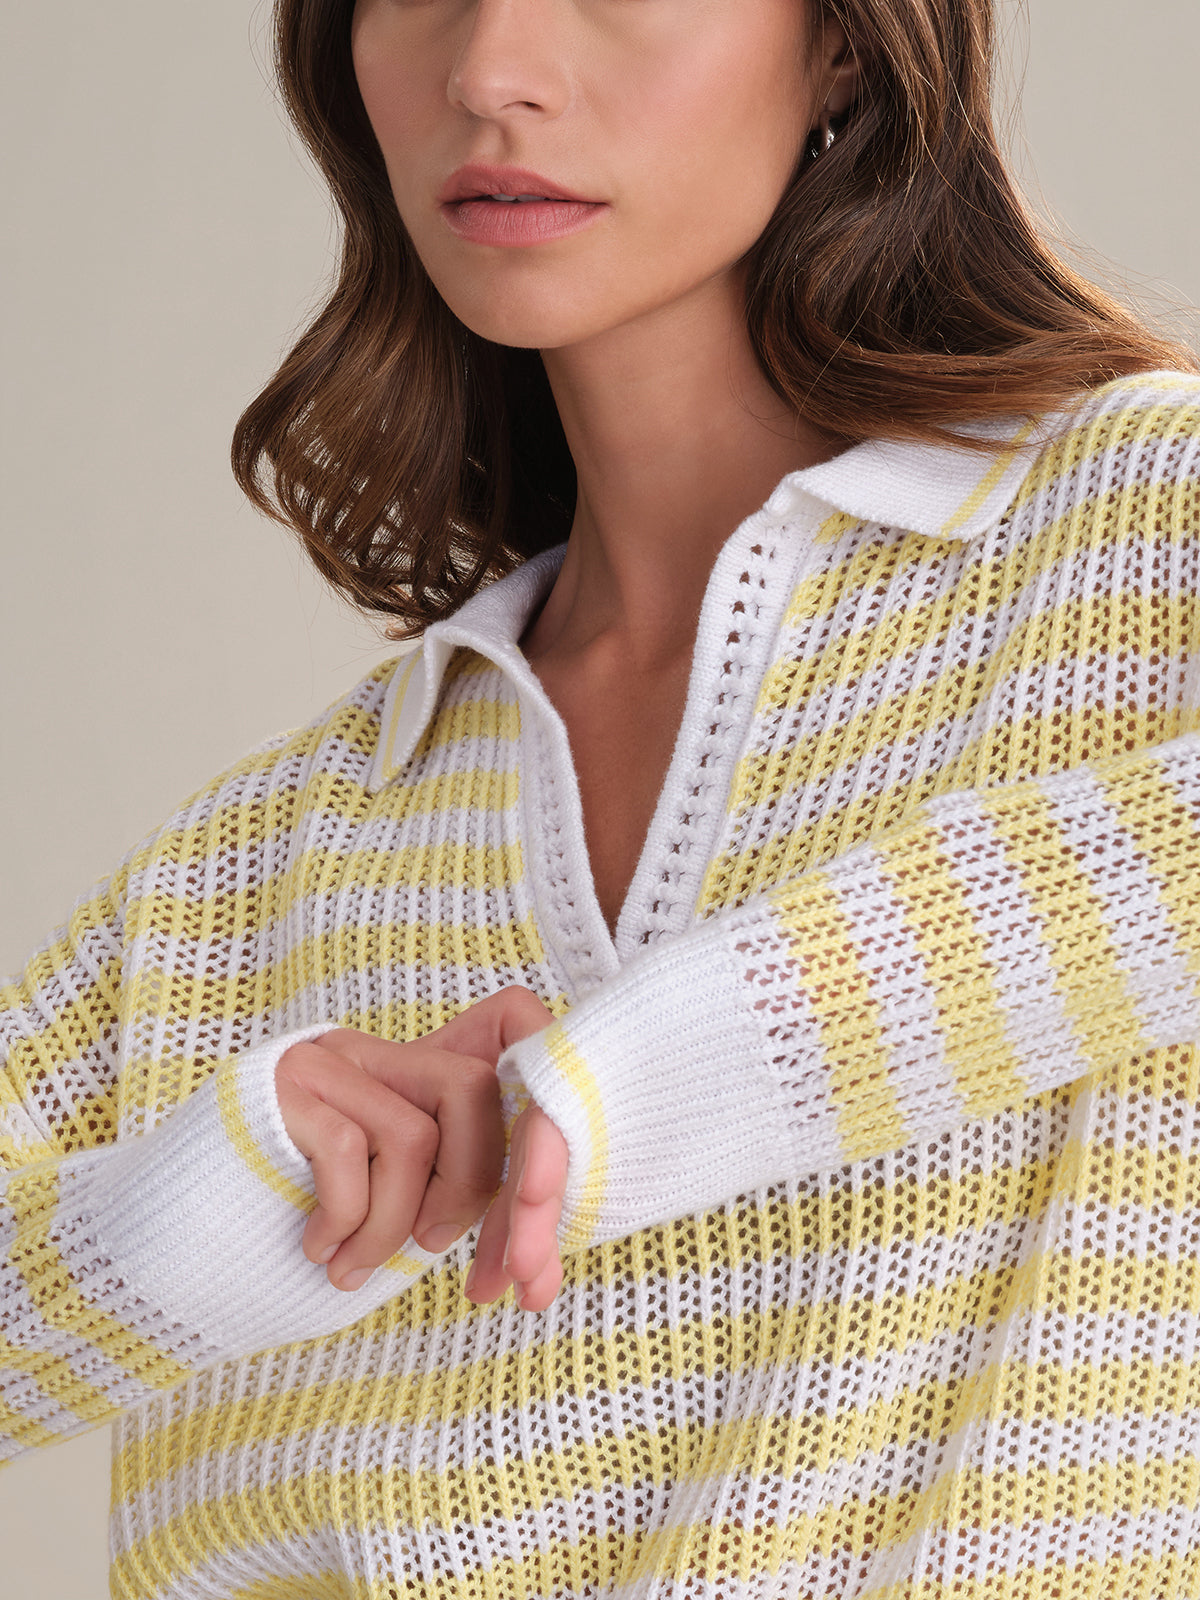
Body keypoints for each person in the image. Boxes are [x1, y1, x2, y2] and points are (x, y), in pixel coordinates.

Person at [3, 0, 1199, 1595]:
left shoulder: (1138, 542)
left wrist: (718, 1048)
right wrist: (185, 1222)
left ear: (847, 42)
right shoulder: (262, 867)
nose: (489, 71)